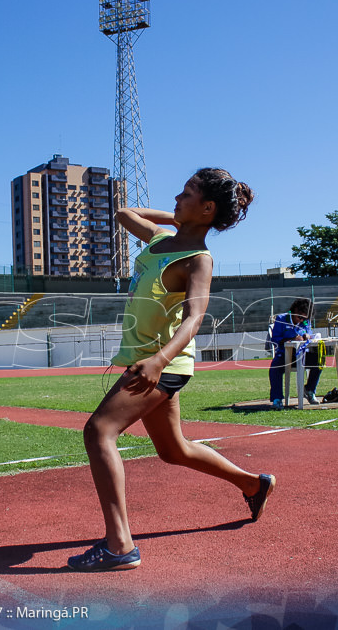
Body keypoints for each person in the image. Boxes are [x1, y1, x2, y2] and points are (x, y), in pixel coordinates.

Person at [68, 168, 274, 573]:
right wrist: (177, 218)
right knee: (173, 450)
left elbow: (195, 317)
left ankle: (120, 546)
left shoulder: (198, 259)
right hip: (148, 362)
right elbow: (125, 213)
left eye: (186, 195)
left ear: (207, 208)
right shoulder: (162, 240)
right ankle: (253, 484)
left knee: (99, 431)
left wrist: (159, 360)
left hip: (162, 365)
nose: (176, 200)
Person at [267, 298, 323, 408]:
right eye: (300, 317)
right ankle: (277, 398)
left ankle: (309, 390)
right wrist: (292, 339)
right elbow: (275, 340)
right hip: (285, 354)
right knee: (275, 367)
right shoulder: (281, 319)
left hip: (302, 355)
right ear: (294, 310)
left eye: (304, 319)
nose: (301, 321)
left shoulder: (306, 322)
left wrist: (308, 336)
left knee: (319, 361)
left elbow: (309, 334)